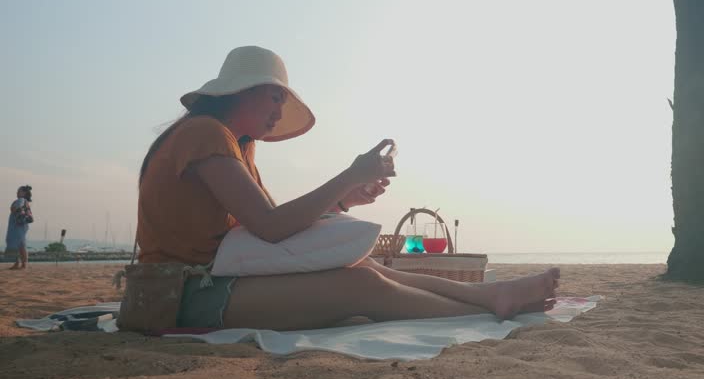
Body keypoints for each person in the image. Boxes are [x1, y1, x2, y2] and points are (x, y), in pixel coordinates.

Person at [137, 45, 559, 330]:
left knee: (366, 267)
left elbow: (271, 225)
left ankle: (489, 294)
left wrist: (343, 198)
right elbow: (268, 226)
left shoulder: (233, 144)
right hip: (183, 294)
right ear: (243, 92)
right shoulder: (205, 135)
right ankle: (482, 311)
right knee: (360, 288)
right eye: (275, 98)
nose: (279, 110)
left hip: (218, 279)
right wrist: (349, 175)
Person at [6, 185, 33, 270]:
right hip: (18, 224)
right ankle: (18, 263)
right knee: (17, 244)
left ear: (24, 193)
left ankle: (22, 264)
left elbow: (18, 208)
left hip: (18, 225)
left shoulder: (21, 200)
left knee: (20, 244)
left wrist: (14, 208)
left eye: (19, 191)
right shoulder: (24, 201)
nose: (17, 192)